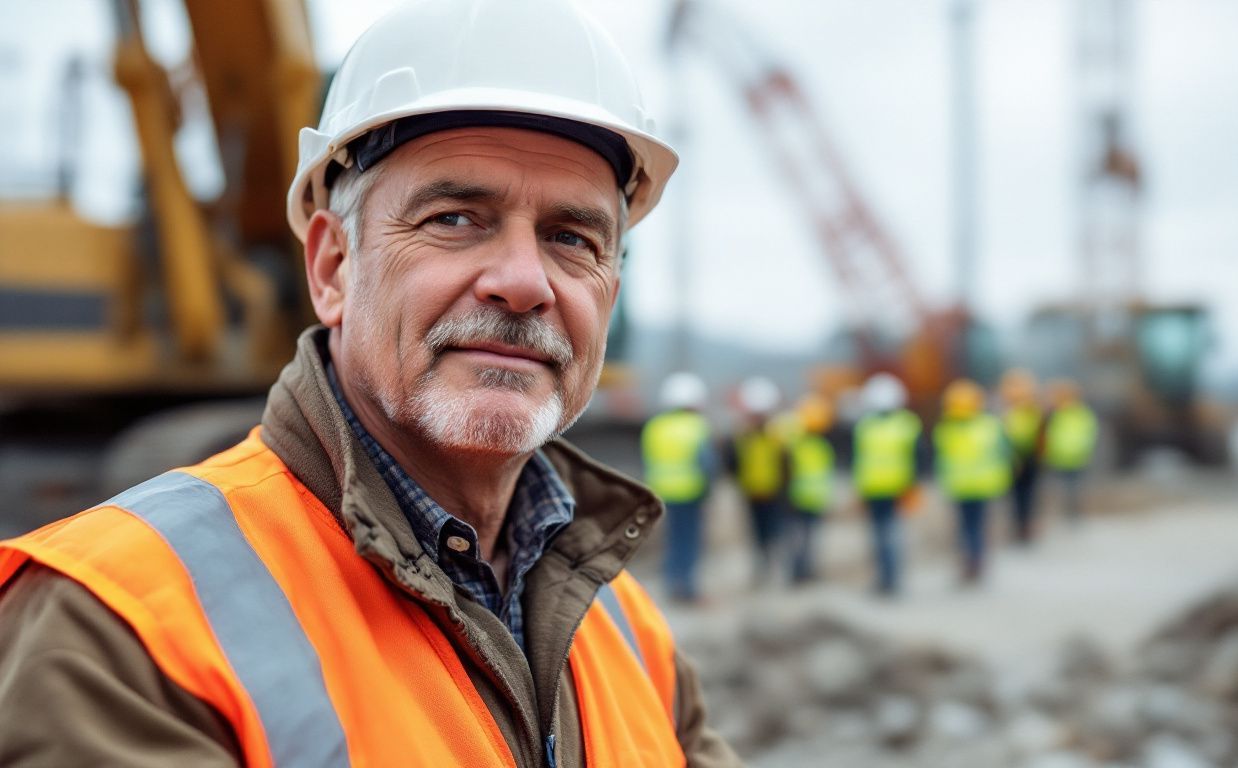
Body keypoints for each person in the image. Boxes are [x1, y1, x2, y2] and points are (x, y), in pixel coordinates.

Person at [0, 2, 740, 765]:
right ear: (331, 267)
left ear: (608, 294)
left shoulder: (629, 633)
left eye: (571, 238)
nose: (524, 283)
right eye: (455, 218)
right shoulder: (118, 625)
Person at [642, 372, 715, 603]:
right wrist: (709, 491)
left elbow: (648, 460)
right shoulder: (697, 426)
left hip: (662, 492)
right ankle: (687, 588)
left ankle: (672, 583)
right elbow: (707, 464)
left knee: (672, 539)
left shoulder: (655, 426)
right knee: (689, 540)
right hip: (691, 493)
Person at [933, 379, 1011, 585]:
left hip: (960, 486)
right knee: (977, 526)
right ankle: (976, 561)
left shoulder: (946, 429)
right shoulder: (989, 426)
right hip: (983, 485)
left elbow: (940, 459)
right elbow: (1003, 453)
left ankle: (970, 562)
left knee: (966, 527)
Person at [852, 373, 922, 594]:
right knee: (886, 536)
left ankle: (889, 579)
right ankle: (887, 578)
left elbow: (917, 458)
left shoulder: (866, 426)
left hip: (887, 490)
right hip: (884, 489)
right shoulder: (906, 424)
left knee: (884, 536)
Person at [725, 376, 788, 584]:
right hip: (752, 492)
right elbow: (734, 462)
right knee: (758, 533)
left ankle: (771, 565)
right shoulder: (744, 436)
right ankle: (762, 567)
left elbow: (786, 464)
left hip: (772, 492)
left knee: (773, 532)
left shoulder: (775, 435)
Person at [786, 394, 835, 584]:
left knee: (798, 538)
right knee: (809, 538)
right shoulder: (823, 446)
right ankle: (805, 570)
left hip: (798, 497)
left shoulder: (796, 444)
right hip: (813, 498)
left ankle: (799, 571)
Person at [999, 368, 1045, 544]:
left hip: (1026, 459)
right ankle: (1021, 526)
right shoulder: (1023, 412)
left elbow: (1040, 437)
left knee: (1024, 496)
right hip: (1019, 459)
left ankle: (1024, 525)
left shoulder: (1029, 412)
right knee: (1021, 496)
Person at [1043, 378, 1099, 522]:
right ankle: (1069, 511)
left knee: (1073, 486)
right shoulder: (1056, 413)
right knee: (1067, 486)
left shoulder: (1079, 413)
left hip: (1076, 455)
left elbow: (1090, 431)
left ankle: (1073, 512)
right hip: (1061, 455)